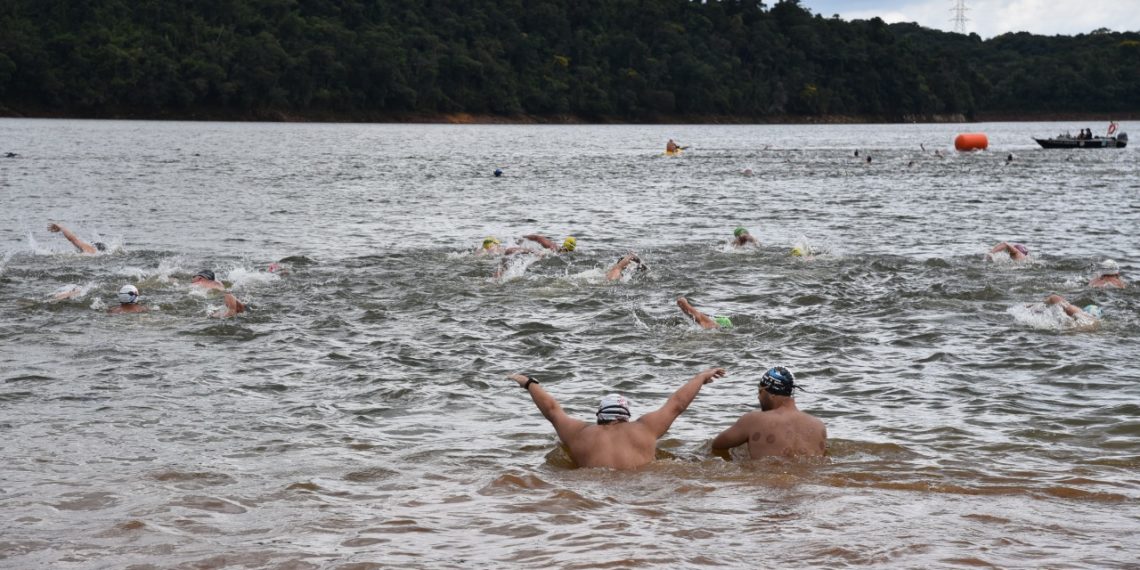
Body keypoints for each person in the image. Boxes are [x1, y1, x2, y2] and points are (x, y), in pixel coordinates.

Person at [508, 367, 726, 469]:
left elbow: (552, 410)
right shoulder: (644, 429)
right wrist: (700, 378)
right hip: (640, 489)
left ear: (599, 416)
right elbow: (677, 404)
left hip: (594, 494)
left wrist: (528, 382)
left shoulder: (580, 434)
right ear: (626, 417)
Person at [711, 366, 827, 459]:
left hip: (767, 485)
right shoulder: (818, 425)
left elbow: (717, 446)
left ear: (771, 393)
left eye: (760, 391)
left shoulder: (753, 420)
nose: (758, 397)